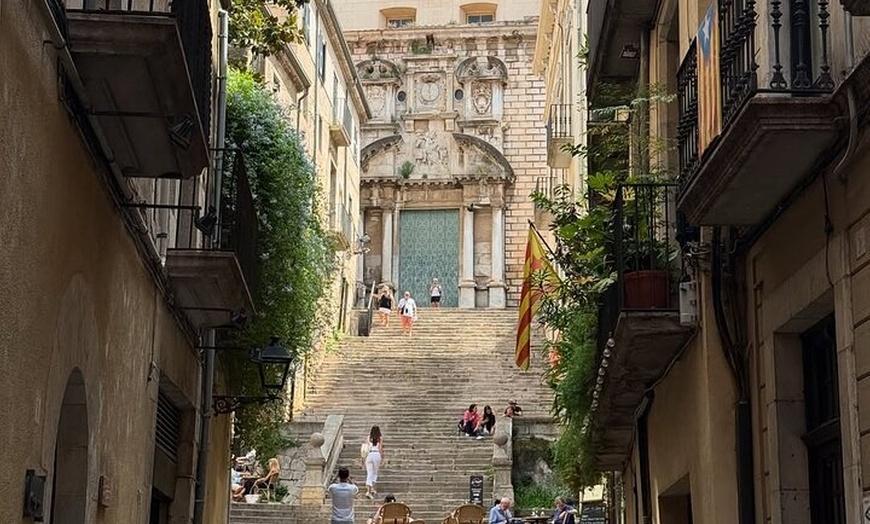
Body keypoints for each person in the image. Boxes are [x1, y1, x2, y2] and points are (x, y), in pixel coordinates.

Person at [364, 425, 384, 499]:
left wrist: (364, 458)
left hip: (369, 454)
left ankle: (369, 489)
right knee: (375, 473)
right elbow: (380, 448)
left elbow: (366, 447)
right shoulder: (380, 438)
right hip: (376, 454)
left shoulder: (369, 437)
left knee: (369, 473)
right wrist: (382, 457)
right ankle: (371, 489)